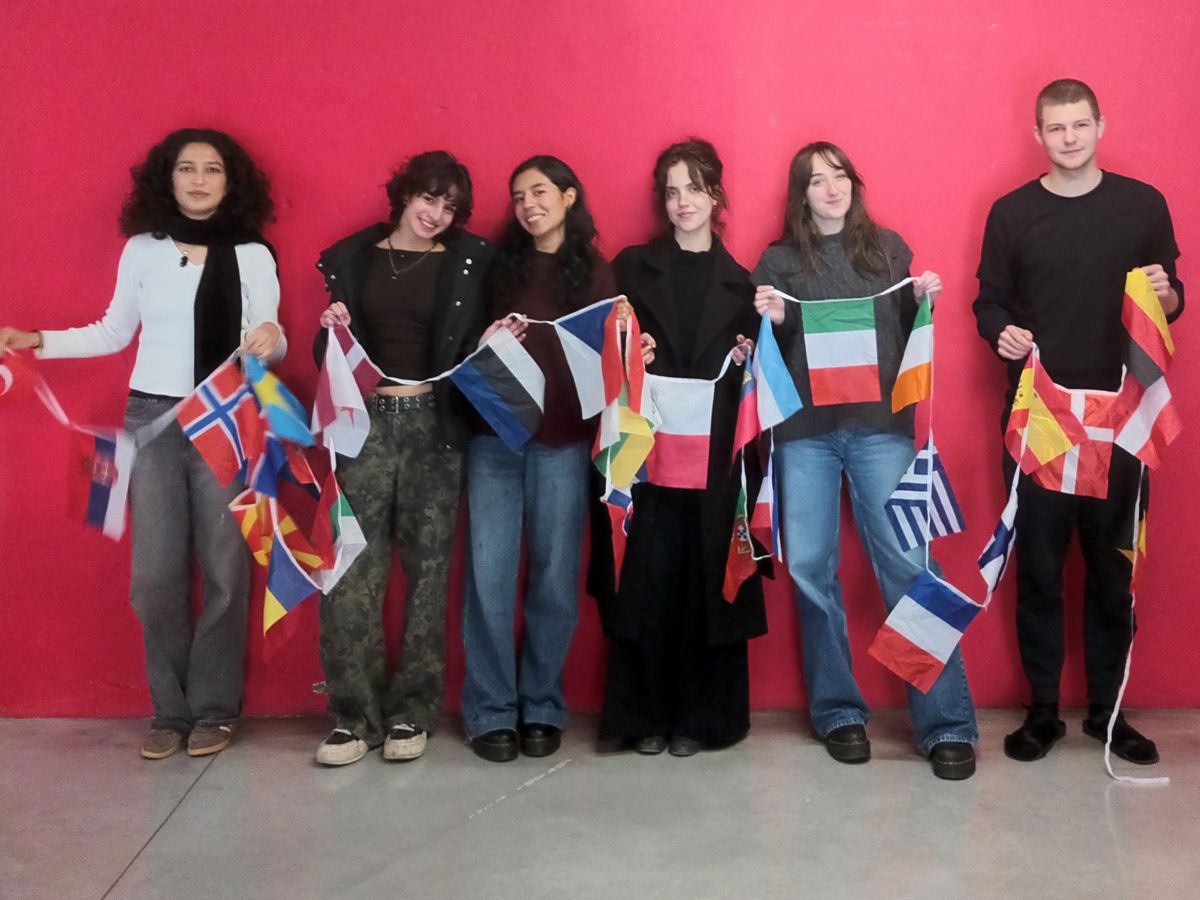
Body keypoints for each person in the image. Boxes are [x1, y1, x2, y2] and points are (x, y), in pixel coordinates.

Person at [0, 128, 286, 759]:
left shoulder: (252, 255)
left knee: (225, 568)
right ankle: (170, 711)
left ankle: (215, 709)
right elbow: (111, 332)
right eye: (187, 168)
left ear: (230, 182)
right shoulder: (142, 250)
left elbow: (272, 338)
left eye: (212, 169)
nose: (199, 179)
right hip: (151, 421)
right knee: (154, 576)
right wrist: (36, 340)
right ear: (168, 178)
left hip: (224, 417)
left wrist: (271, 338)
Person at [973, 79, 1183, 765]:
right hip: (1042, 417)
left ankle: (1108, 713)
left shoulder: (1142, 205)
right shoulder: (1011, 213)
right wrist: (1000, 331)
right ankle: (1041, 712)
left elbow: (1172, 299)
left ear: (1100, 126)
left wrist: (1168, 296)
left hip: (1121, 417)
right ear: (1037, 134)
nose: (1069, 137)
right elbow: (989, 303)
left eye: (1080, 124)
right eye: (1056, 127)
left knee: (1111, 573)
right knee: (1038, 569)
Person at [753, 141, 979, 780]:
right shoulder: (777, 261)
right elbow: (770, 360)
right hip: (804, 434)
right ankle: (838, 712)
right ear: (800, 195)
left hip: (882, 428)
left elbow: (910, 334)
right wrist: (775, 320)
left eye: (840, 176)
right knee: (809, 571)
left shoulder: (889, 251)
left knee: (911, 567)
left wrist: (925, 297)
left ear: (854, 183)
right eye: (816, 180)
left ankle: (946, 722)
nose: (832, 188)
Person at [312, 151, 493, 766]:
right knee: (350, 571)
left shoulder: (469, 264)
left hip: (433, 427)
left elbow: (472, 355)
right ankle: (352, 717)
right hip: (363, 424)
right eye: (429, 198)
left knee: (429, 571)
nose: (436, 214)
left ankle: (413, 711)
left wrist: (488, 344)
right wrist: (331, 327)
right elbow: (327, 357)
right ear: (405, 194)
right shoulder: (354, 259)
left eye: (449, 207)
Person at [598, 138, 767, 757]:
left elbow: (763, 379)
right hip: (644, 451)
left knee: (708, 580)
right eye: (671, 192)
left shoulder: (745, 285)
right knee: (646, 578)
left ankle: (703, 719)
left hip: (715, 454)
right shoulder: (629, 268)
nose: (682, 202)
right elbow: (601, 345)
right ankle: (643, 715)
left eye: (694, 189)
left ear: (716, 195)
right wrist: (627, 350)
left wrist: (751, 356)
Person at [461, 156, 616, 762]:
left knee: (554, 575)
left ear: (569, 196)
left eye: (540, 192)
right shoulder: (496, 267)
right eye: (519, 196)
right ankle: (491, 709)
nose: (528, 205)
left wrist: (634, 346)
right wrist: (479, 344)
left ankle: (543, 705)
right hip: (495, 437)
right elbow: (459, 345)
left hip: (565, 442)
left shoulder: (596, 271)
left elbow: (610, 353)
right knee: (490, 575)